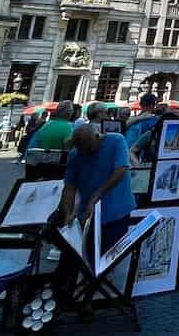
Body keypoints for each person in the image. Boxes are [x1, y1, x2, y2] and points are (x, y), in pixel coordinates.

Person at [55, 126, 135, 314]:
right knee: (85, 257)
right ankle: (78, 298)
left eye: (90, 149)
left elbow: (121, 169)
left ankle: (87, 297)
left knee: (105, 258)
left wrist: (96, 195)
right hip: (88, 215)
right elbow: (69, 187)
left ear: (98, 139)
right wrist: (67, 212)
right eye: (83, 149)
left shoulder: (116, 141)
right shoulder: (75, 155)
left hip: (116, 211)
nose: (87, 153)